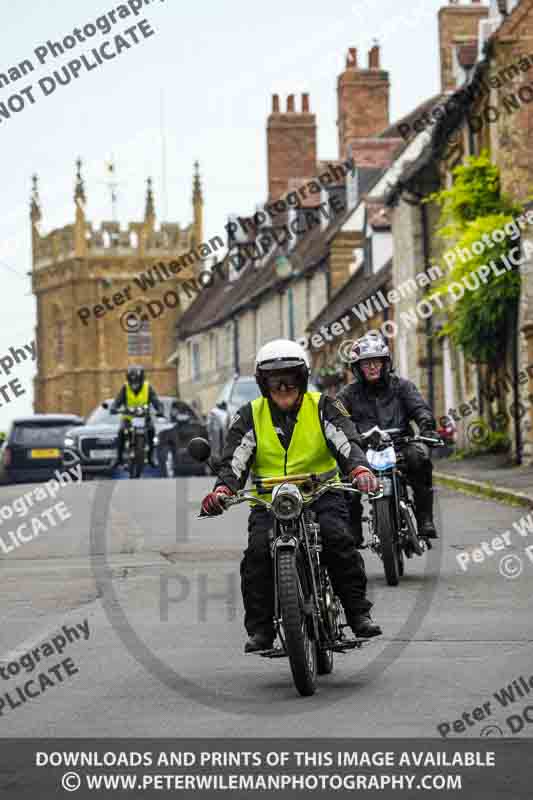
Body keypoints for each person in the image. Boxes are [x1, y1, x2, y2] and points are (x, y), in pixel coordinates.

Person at [200, 339, 382, 653]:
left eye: (290, 377)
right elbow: (235, 460)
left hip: (321, 494)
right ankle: (261, 629)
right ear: (263, 383)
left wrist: (360, 469)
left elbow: (346, 441)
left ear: (301, 377)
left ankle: (357, 613)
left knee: (338, 539)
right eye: (274, 379)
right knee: (257, 553)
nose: (283, 386)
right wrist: (222, 490)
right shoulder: (249, 416)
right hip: (271, 501)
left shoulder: (323, 405)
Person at [336, 331, 440, 546]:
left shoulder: (402, 387)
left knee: (420, 459)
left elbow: (420, 409)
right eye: (366, 364)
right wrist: (343, 440)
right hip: (363, 448)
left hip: (401, 444)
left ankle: (425, 520)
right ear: (357, 368)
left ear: (385, 364)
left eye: (376, 362)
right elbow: (336, 419)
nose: (372, 367)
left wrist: (427, 427)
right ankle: (353, 530)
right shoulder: (348, 394)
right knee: (345, 476)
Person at [110, 365, 165, 468]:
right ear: (128, 380)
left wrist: (160, 410)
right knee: (121, 432)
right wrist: (114, 408)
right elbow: (117, 401)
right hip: (128, 418)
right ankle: (119, 458)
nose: (134, 384)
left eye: (137, 382)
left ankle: (150, 457)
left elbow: (156, 401)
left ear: (142, 380)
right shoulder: (125, 388)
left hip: (144, 417)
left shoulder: (147, 387)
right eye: (132, 382)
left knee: (152, 431)